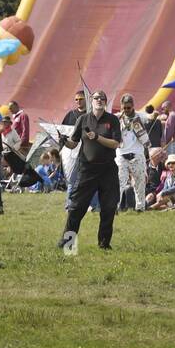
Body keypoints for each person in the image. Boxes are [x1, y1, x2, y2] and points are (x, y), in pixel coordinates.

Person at [58, 90, 121, 252]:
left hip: (108, 169)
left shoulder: (112, 120)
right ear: (91, 101)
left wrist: (97, 137)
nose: (99, 100)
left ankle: (104, 244)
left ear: (106, 102)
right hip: (87, 169)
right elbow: (74, 143)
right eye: (96, 98)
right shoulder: (83, 119)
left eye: (102, 98)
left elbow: (115, 143)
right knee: (76, 208)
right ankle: (67, 244)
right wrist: (64, 141)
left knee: (108, 208)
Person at [116, 93, 149, 213]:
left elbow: (152, 116)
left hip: (137, 155)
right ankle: (115, 207)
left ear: (133, 106)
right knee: (119, 182)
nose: (126, 110)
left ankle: (140, 208)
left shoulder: (140, 116)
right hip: (121, 155)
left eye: (128, 108)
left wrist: (155, 114)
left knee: (139, 183)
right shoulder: (117, 118)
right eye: (124, 108)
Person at [60, 90, 89, 209]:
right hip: (71, 151)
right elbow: (62, 131)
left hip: (87, 151)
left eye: (81, 99)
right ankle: (70, 204)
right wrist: (61, 146)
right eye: (76, 99)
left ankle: (90, 204)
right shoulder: (70, 114)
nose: (78, 101)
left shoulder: (90, 115)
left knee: (88, 180)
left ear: (86, 100)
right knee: (71, 179)